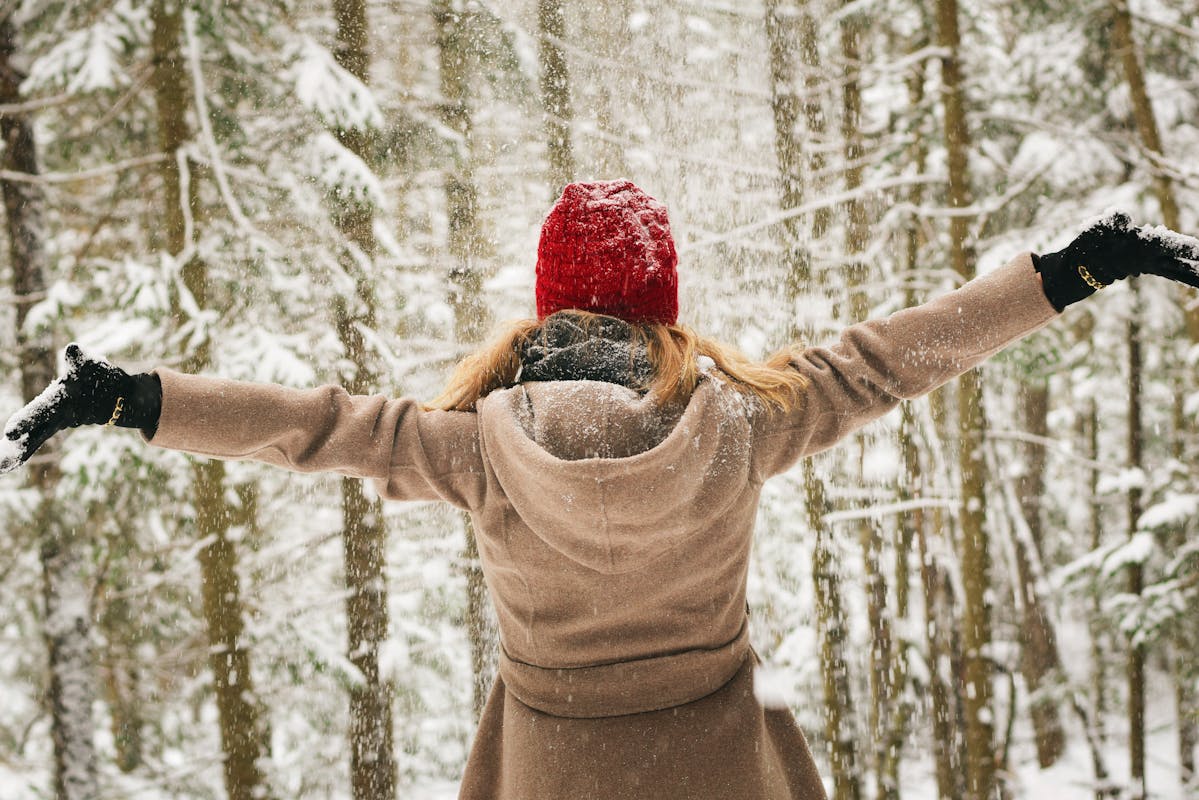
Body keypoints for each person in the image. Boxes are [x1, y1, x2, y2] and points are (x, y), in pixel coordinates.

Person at [3, 180, 1198, 799]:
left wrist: (131, 397)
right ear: (661, 301)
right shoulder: (742, 420)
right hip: (727, 769)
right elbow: (895, 355)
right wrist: (1073, 269)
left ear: (545, 303)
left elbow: (312, 430)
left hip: (552, 774)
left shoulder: (472, 447)